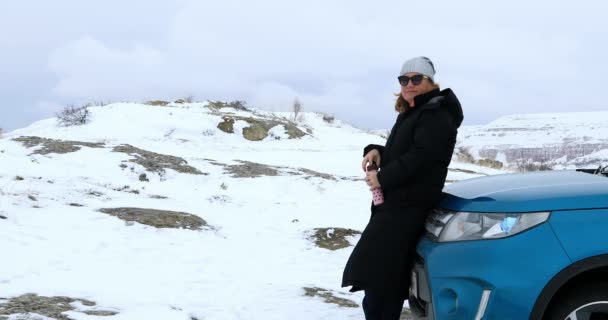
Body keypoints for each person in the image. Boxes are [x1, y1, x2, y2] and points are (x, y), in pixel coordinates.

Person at [342, 56, 463, 320]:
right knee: (385, 275)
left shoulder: (436, 114)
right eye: (404, 79)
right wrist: (376, 151)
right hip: (398, 205)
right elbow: (405, 152)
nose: (409, 84)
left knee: (380, 275)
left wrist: (382, 179)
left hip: (409, 207)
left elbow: (423, 158)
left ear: (431, 81)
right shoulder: (415, 111)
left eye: (416, 78)